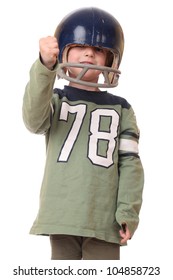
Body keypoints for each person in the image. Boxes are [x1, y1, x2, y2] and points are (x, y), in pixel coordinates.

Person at [22, 7, 144, 260]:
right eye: (79, 45)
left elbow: (131, 165)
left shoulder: (122, 109)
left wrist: (128, 212)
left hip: (104, 219)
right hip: (62, 216)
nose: (89, 52)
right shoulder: (54, 100)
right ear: (64, 50)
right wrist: (44, 66)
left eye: (99, 49)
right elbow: (33, 121)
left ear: (111, 58)